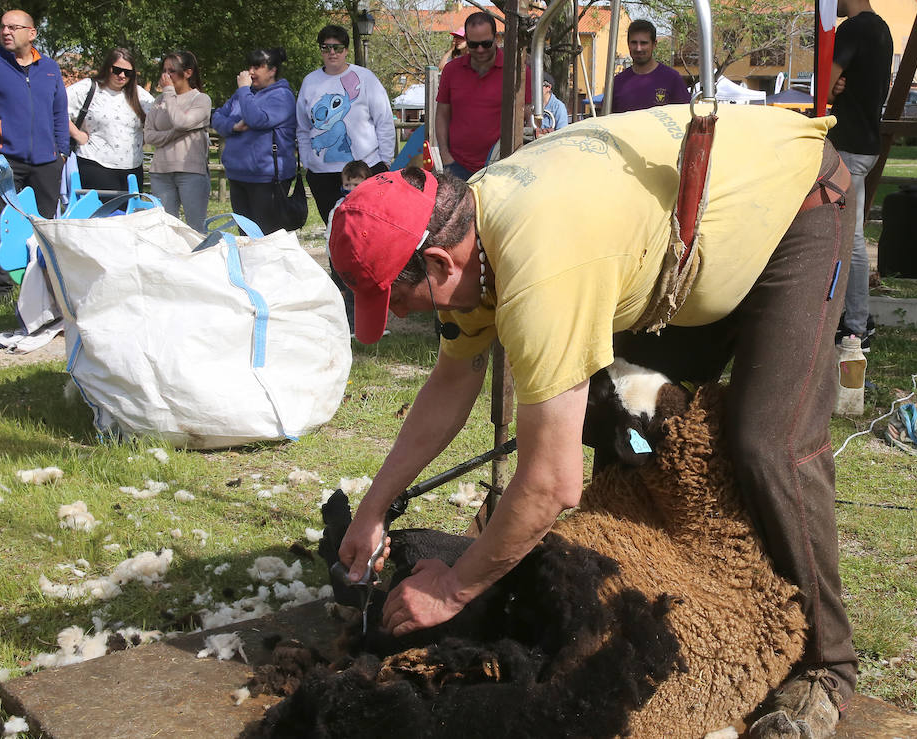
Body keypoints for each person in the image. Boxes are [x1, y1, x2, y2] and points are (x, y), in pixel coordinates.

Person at [329, 104, 859, 738]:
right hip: (694, 225)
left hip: (792, 201)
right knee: (627, 429)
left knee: (768, 441)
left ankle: (829, 668)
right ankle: (658, 588)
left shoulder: (540, 269)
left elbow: (553, 484)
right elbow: (451, 382)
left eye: (403, 302)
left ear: (441, 265)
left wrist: (452, 590)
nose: (407, 319)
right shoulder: (469, 237)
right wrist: (373, 509)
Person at [0, 9, 68, 303]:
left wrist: (61, 152)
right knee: (1, 222)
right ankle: (0, 290)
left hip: (47, 161)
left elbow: (60, 112)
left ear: (31, 33)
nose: (6, 31)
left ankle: (43, 288)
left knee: (44, 226)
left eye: (13, 27)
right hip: (4, 161)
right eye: (3, 27)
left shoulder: (49, 68)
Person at [828, 0, 893, 351]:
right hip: (866, 141)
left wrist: (829, 90)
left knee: (850, 238)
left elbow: (827, 80)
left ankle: (855, 325)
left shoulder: (852, 29)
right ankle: (852, 317)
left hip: (849, 144)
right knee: (848, 236)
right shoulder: (882, 29)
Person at [295, 25, 395, 223]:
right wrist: (308, 161)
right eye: (326, 48)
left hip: (365, 169)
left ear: (346, 50)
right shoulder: (310, 82)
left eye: (338, 48)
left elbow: (384, 120)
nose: (332, 52)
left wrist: (385, 161)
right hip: (322, 173)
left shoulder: (366, 79)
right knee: (333, 228)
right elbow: (302, 126)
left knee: (366, 226)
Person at [433, 11, 532, 180]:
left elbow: (529, 114)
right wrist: (444, 154)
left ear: (496, 39)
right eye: (473, 44)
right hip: (457, 166)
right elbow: (442, 114)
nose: (480, 50)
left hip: (502, 166)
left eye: (486, 44)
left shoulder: (517, 72)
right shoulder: (452, 70)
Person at [211, 47, 298, 234]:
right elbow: (217, 117)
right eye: (250, 66)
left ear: (272, 70)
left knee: (266, 237)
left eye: (257, 67)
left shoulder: (282, 96)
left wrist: (243, 90)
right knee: (246, 235)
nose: (251, 72)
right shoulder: (243, 94)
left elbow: (255, 119)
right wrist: (233, 126)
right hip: (238, 175)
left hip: (267, 179)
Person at [66, 48, 156, 194]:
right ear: (108, 68)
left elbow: (160, 118)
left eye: (128, 72)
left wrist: (146, 138)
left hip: (132, 169)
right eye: (117, 70)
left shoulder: (140, 94)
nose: (122, 76)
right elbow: (55, 108)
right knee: (103, 216)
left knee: (129, 216)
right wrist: (77, 134)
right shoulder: (88, 88)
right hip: (95, 165)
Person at [144, 50, 212, 232]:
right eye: (164, 70)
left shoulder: (201, 100)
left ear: (188, 73)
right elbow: (149, 136)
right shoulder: (159, 101)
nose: (166, 76)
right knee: (166, 229)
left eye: (171, 71)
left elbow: (180, 121)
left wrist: (169, 92)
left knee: (195, 229)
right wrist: (175, 134)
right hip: (161, 172)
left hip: (190, 172)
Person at [609, 19, 690, 112]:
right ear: (628, 44)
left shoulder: (672, 79)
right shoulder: (617, 82)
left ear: (654, 44)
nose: (638, 48)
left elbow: (685, 116)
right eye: (634, 43)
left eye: (644, 43)